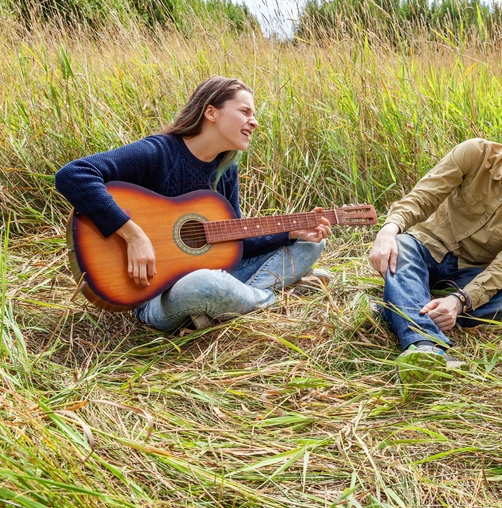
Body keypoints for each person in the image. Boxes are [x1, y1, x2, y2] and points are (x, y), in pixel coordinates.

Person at [56, 76, 332, 332]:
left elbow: (234, 242)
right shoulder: (159, 153)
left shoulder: (226, 170)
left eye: (254, 114)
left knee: (312, 243)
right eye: (245, 112)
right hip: (157, 296)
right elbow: (73, 175)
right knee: (205, 284)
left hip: (221, 273)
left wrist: (290, 233)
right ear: (211, 112)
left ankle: (236, 303)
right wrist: (133, 235)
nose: (254, 122)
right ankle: (270, 297)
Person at [368, 105, 502, 381]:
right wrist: (388, 230)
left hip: (468, 276)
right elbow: (422, 197)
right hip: (426, 247)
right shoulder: (475, 153)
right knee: (403, 247)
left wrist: (459, 302)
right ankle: (426, 346)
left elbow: (501, 271)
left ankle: (403, 306)